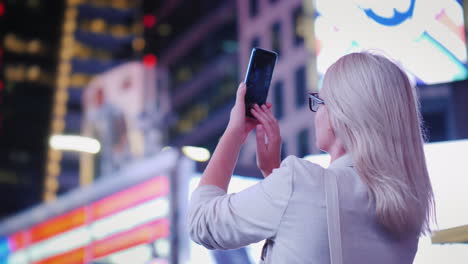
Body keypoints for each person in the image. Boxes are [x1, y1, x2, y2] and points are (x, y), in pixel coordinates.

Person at [188, 52, 435, 263]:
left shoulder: (299, 182)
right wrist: (273, 174)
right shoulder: (407, 204)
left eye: (320, 101)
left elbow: (201, 223)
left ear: (341, 114)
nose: (316, 113)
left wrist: (235, 133)